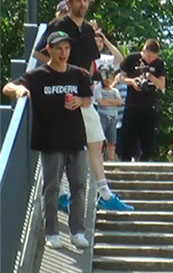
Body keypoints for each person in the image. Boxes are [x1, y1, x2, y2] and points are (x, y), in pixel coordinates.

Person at [35, 0, 133, 211]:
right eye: (78, 0)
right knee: (61, 145)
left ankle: (104, 194)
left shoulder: (88, 30)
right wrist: (59, 72)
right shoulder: (58, 25)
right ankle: (62, 194)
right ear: (70, 3)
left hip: (82, 94)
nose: (83, 3)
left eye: (86, 0)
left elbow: (90, 61)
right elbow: (38, 53)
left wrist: (86, 79)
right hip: (61, 93)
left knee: (96, 141)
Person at [4, 31, 94, 249]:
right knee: (51, 187)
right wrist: (19, 89)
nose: (63, 53)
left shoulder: (78, 74)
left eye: (67, 48)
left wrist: (80, 101)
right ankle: (52, 233)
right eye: (59, 48)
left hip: (76, 138)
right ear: (49, 50)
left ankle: (77, 231)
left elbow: (88, 100)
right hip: (50, 140)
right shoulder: (38, 75)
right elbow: (7, 87)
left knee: (79, 186)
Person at [118, 39, 166, 162]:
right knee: (128, 137)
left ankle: (145, 161)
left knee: (147, 139)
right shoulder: (131, 58)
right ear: (143, 50)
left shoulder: (159, 63)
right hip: (132, 104)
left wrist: (150, 77)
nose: (150, 60)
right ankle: (125, 161)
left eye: (153, 57)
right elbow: (121, 77)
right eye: (148, 56)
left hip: (149, 105)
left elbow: (161, 85)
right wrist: (132, 82)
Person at [94, 65, 121, 161]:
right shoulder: (98, 90)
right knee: (100, 139)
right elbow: (100, 102)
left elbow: (119, 102)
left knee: (112, 140)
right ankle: (99, 158)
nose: (108, 80)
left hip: (113, 117)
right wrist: (112, 102)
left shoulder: (115, 91)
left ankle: (111, 159)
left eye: (110, 77)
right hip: (102, 116)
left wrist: (107, 101)